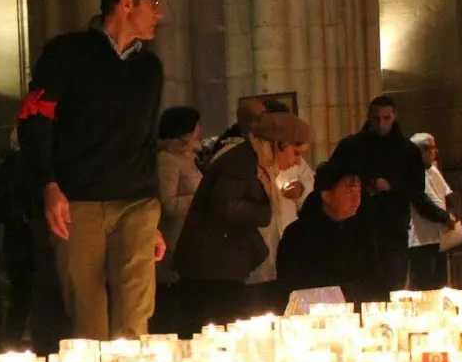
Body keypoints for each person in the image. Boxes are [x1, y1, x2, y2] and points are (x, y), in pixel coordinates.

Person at [19, 0, 167, 340]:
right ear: (126, 2)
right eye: (154, 3)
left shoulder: (150, 68)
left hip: (137, 202)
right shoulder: (66, 53)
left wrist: (155, 218)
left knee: (135, 315)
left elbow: (149, 140)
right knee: (89, 320)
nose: (159, 14)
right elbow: (35, 120)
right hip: (79, 202)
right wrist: (49, 184)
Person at [174, 111, 312, 326]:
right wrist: (263, 212)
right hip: (212, 269)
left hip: (221, 266)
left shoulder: (254, 161)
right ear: (278, 144)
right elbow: (224, 207)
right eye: (295, 153)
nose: (297, 162)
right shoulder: (241, 162)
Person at [326, 95, 453, 296]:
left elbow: (416, 189)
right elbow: (330, 176)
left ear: (394, 116)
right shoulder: (351, 147)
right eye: (376, 119)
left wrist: (391, 186)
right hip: (356, 225)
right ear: (369, 117)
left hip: (393, 228)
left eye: (386, 118)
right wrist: (360, 183)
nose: (381, 124)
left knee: (391, 286)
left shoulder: (407, 151)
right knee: (358, 285)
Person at [276, 157, 383, 304]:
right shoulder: (298, 235)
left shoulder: (362, 230)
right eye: (350, 190)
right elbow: (292, 289)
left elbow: (375, 282)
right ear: (326, 194)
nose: (357, 198)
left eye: (359, 190)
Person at [154, 105, 202, 331]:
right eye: (195, 128)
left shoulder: (187, 159)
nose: (199, 132)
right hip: (173, 244)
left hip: (189, 241)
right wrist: (201, 197)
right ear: (185, 132)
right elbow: (168, 204)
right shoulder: (167, 160)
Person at [407, 132, 456, 291]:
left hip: (438, 237)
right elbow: (423, 204)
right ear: (421, 152)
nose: (434, 153)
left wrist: (451, 215)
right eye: (431, 149)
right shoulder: (411, 173)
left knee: (439, 286)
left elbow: (446, 196)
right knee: (424, 286)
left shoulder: (432, 171)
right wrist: (444, 217)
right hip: (421, 240)